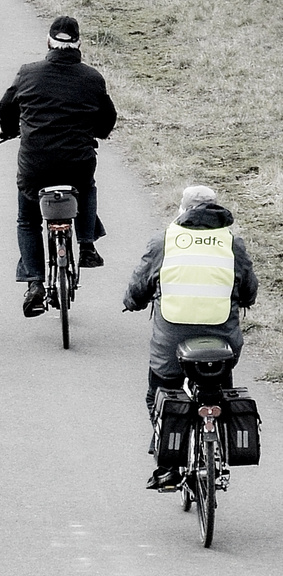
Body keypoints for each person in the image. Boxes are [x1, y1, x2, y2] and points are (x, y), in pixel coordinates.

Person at [123, 184, 258, 487]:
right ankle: (219, 449)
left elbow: (139, 286)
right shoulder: (231, 243)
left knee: (158, 392)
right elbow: (249, 288)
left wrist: (132, 303)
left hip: (171, 342)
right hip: (222, 342)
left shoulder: (164, 241)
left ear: (182, 210)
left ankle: (169, 463)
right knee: (220, 387)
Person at [0, 15, 117, 317]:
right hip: (77, 162)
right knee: (86, 186)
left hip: (35, 166)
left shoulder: (28, 73)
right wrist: (98, 132)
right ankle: (87, 246)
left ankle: (35, 282)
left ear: (49, 42)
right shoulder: (92, 78)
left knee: (28, 219)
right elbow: (107, 118)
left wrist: (10, 129)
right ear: (78, 44)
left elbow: (7, 107)